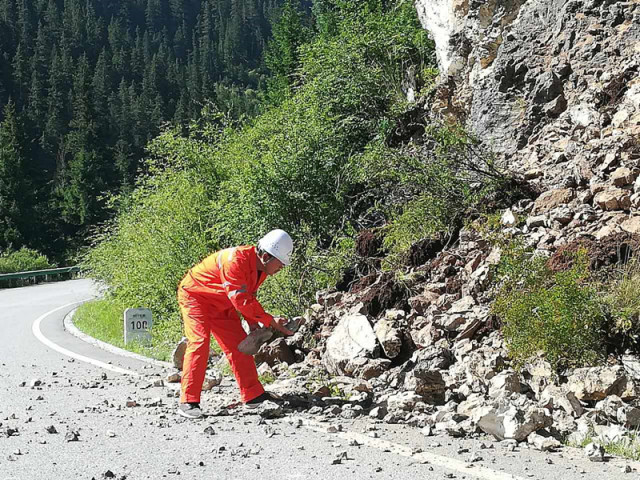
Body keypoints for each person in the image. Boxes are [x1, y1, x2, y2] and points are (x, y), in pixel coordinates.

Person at [177, 229, 294, 419]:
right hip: (196, 297)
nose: (281, 268)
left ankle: (253, 395)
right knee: (199, 343)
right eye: (280, 264)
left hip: (223, 303)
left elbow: (248, 295)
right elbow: (240, 299)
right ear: (266, 256)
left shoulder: (260, 268)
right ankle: (188, 400)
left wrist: (252, 322)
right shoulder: (236, 260)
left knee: (239, 345)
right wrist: (270, 321)